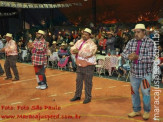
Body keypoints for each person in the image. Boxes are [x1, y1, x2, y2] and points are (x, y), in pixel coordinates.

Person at [121, 24, 156, 120]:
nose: (136, 34)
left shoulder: (150, 43)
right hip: (134, 73)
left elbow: (151, 58)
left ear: (144, 32)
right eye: (135, 32)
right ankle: (136, 110)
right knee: (134, 92)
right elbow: (124, 53)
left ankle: (146, 111)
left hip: (145, 73)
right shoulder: (131, 42)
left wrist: (137, 57)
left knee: (146, 93)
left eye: (138, 32)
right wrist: (128, 56)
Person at [70, 28, 97, 104]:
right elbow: (72, 48)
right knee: (78, 81)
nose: (84, 35)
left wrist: (78, 51)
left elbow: (89, 54)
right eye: (83, 34)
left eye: (86, 34)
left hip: (88, 65)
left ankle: (88, 97)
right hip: (79, 64)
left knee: (88, 82)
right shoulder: (79, 41)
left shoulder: (92, 44)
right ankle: (77, 95)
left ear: (89, 35)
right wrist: (74, 51)